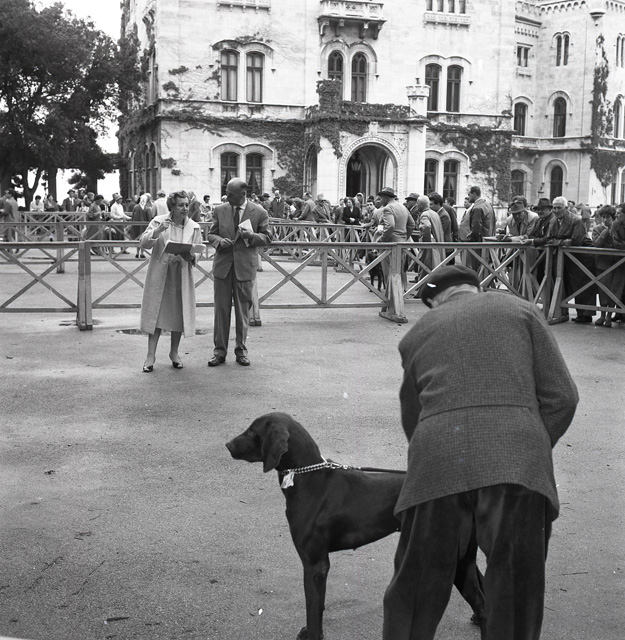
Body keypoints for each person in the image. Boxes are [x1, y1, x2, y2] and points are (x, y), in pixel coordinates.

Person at [383, 265, 579, 640]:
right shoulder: (522, 311)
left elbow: (413, 419)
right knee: (515, 591)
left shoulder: (417, 333)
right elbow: (563, 398)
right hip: (518, 466)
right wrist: (529, 447)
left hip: (438, 463)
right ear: (476, 288)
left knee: (416, 584)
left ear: (434, 301)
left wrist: (437, 458)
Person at [207, 177, 271, 367]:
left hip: (244, 269)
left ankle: (241, 351)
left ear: (243, 194)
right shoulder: (220, 210)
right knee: (221, 311)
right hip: (223, 268)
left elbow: (268, 238)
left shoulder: (259, 212)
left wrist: (252, 236)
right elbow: (211, 234)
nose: (227, 197)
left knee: (243, 312)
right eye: (226, 193)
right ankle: (219, 352)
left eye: (230, 194)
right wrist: (219, 241)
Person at [139, 191, 204, 372]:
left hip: (180, 274)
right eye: (181, 205)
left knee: (178, 313)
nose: (185, 208)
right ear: (172, 207)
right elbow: (143, 243)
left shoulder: (194, 227)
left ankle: (174, 353)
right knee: (156, 313)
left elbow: (198, 250)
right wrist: (158, 231)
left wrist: (191, 256)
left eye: (186, 205)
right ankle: (150, 356)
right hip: (161, 274)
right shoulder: (158, 221)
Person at [546, 195, 595, 323]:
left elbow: (575, 241)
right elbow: (549, 239)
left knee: (582, 285)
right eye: (554, 208)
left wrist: (559, 241)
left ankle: (585, 314)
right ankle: (563, 312)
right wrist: (562, 242)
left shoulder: (576, 220)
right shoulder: (553, 221)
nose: (556, 210)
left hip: (582, 257)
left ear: (566, 208)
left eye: (559, 208)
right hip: (566, 256)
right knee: (565, 283)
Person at [377, 187, 415, 300]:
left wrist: (382, 240)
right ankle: (398, 297)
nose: (380, 200)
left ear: (386, 197)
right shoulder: (403, 207)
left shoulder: (387, 208)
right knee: (399, 271)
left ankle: (391, 299)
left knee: (388, 272)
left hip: (390, 244)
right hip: (402, 243)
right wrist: (404, 237)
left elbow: (390, 226)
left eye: (381, 198)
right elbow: (412, 224)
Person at [592, 206, 625, 327]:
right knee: (603, 291)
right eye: (603, 217)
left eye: (608, 217)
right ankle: (602, 315)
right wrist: (604, 233)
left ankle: (609, 317)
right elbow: (596, 244)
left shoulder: (618, 228)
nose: (605, 220)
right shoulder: (597, 229)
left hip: (617, 264)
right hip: (603, 264)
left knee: (614, 290)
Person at [130, 193, 153, 258]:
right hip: (144, 227)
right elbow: (149, 218)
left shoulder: (135, 207)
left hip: (136, 226)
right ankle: (142, 253)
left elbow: (132, 216)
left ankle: (137, 252)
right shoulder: (147, 208)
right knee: (143, 240)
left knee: (137, 239)